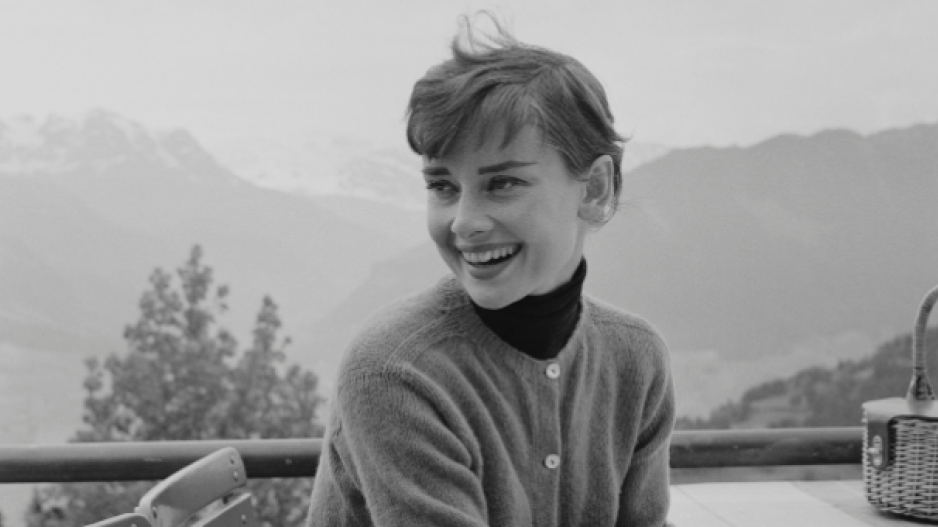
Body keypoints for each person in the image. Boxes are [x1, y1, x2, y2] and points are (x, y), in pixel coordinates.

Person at [307, 15, 675, 527]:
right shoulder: (395, 372)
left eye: (502, 184)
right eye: (442, 186)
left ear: (594, 189)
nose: (464, 222)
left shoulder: (635, 357)